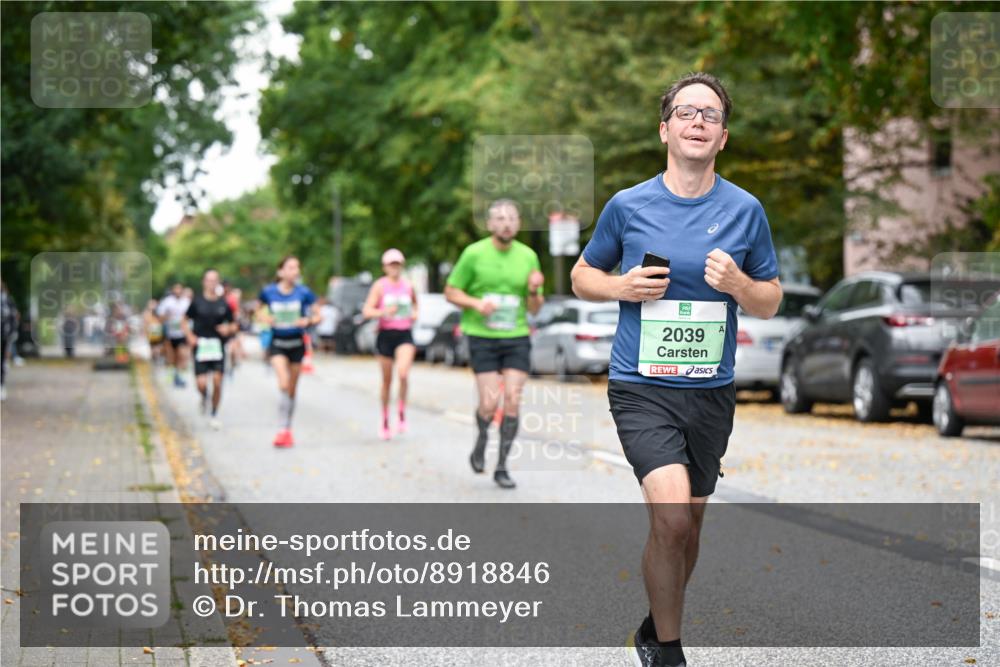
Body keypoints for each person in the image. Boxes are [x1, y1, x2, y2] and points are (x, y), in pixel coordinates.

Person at [570, 73, 782, 667]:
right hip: (641, 388)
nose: (698, 122)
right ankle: (668, 651)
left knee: (687, 527)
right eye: (686, 112)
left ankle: (652, 623)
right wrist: (621, 286)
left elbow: (769, 299)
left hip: (711, 391)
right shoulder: (628, 205)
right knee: (670, 517)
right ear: (664, 129)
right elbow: (582, 276)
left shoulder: (745, 211)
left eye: (710, 115)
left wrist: (738, 284)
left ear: (723, 137)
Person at [444, 199, 545, 489]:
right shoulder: (474, 253)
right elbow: (450, 291)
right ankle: (482, 438)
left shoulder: (528, 256)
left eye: (511, 218)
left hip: (516, 335)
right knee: (489, 403)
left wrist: (534, 290)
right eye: (500, 219)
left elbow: (535, 308)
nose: (506, 223)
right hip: (482, 335)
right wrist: (476, 303)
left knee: (512, 399)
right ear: (490, 224)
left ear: (519, 223)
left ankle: (501, 466)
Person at [257, 256, 320, 447]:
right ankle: (281, 427)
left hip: (297, 344)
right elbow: (258, 311)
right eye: (291, 267)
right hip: (278, 343)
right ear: (281, 271)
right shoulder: (269, 292)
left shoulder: (304, 292)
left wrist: (307, 321)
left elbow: (318, 315)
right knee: (284, 383)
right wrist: (265, 319)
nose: (295, 271)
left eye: (297, 267)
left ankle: (286, 429)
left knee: (292, 389)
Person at [362, 248, 419, 439]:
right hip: (386, 334)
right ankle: (385, 418)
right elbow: (367, 311)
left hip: (404, 334)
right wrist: (383, 312)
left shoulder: (409, 286)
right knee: (387, 381)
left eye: (397, 264)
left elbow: (416, 306)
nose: (395, 268)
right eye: (391, 264)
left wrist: (415, 314)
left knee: (403, 373)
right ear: (385, 267)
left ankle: (401, 411)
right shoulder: (380, 286)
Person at [182, 269, 237, 430]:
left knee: (218, 381)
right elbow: (184, 320)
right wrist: (190, 336)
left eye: (215, 280)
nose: (212, 283)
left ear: (218, 282)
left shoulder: (223, 303)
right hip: (201, 347)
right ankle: (204, 397)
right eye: (209, 280)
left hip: (217, 347)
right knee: (201, 384)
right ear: (204, 282)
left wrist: (228, 329)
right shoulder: (197, 302)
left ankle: (214, 414)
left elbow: (234, 324)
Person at [157, 283, 192, 387]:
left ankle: (178, 376)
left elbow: (191, 316)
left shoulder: (186, 302)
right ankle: (172, 375)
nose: (178, 291)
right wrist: (168, 317)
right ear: (173, 290)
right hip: (170, 333)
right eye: (176, 289)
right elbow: (160, 316)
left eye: (179, 289)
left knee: (181, 354)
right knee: (171, 356)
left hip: (182, 333)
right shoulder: (167, 302)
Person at [1, 281, 19, 402]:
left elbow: (14, 315)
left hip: (4, 334)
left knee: (2, 360)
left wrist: (13, 331)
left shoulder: (7, 300)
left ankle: (1, 385)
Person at [143, 299, 165, 365]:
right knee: (153, 348)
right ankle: (153, 361)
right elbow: (145, 323)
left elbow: (162, 321)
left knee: (157, 348)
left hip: (158, 332)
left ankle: (156, 360)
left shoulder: (158, 313)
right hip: (151, 333)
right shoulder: (147, 313)